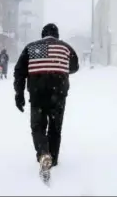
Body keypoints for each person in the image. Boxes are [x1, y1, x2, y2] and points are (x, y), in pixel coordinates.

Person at [13, 23, 79, 173]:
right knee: (55, 128)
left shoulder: (32, 48)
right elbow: (74, 67)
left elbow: (19, 71)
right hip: (59, 94)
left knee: (38, 127)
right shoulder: (65, 47)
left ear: (43, 34)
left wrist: (19, 94)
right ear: (57, 35)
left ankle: (43, 154)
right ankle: (53, 159)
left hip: (38, 94)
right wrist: (59, 68)